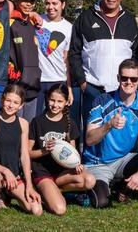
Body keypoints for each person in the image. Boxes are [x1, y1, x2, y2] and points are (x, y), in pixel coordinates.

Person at [83, 59, 138, 208]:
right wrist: (109, 125)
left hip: (122, 160)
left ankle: (121, 189)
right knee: (102, 203)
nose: (128, 82)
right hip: (97, 164)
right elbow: (89, 140)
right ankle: (93, 188)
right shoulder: (102, 101)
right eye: (124, 78)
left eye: (133, 79)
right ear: (118, 78)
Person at [68, 0, 138, 133]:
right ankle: (89, 159)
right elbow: (74, 52)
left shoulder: (129, 20)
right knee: (92, 134)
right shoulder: (85, 18)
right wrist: (82, 82)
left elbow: (135, 54)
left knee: (118, 134)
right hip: (93, 89)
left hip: (122, 90)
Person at [29, 84, 96, 215]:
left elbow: (72, 153)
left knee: (90, 180)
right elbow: (27, 153)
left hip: (61, 175)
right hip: (42, 173)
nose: (55, 105)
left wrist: (76, 165)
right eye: (52, 100)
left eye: (60, 101)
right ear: (47, 99)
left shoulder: (70, 123)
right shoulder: (37, 122)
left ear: (66, 102)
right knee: (60, 209)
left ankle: (55, 191)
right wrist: (45, 151)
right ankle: (45, 191)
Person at [0, 84, 43, 215]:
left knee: (36, 210)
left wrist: (29, 186)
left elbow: (25, 156)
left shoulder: (23, 124)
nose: (10, 105)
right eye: (8, 100)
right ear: (2, 100)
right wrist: (5, 170)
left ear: (21, 106)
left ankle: (7, 196)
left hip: (14, 178)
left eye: (15, 102)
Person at [35, 0, 74, 120]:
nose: (50, 7)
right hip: (37, 81)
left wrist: (69, 88)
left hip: (58, 80)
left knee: (55, 122)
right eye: (47, 3)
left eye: (54, 3)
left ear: (63, 5)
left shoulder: (69, 28)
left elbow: (66, 60)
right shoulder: (37, 21)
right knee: (35, 121)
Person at [8, 0, 42, 121]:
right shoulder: (9, 22)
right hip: (15, 86)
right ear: (16, 0)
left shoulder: (33, 24)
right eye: (25, 0)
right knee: (13, 127)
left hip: (33, 85)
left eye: (31, 1)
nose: (28, 4)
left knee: (27, 129)